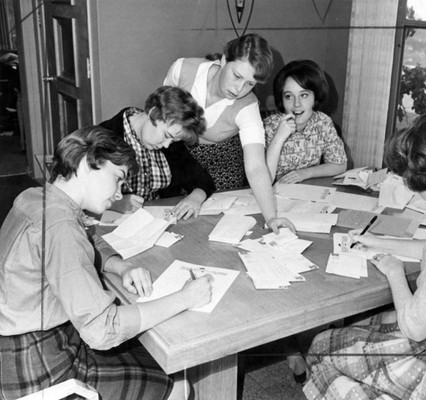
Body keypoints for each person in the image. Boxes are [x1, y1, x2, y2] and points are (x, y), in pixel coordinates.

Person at [0, 126, 213, 400]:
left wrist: (120, 266)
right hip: (36, 362)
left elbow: (84, 240)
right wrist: (184, 298)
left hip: (24, 341)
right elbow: (103, 330)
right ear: (88, 165)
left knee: (149, 355)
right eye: (118, 178)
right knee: (178, 386)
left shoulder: (38, 197)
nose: (118, 193)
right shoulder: (59, 223)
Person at [304, 113, 426, 400]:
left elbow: (415, 328)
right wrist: (376, 241)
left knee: (322, 348)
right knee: (367, 327)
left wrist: (395, 272)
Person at [163, 33, 294, 233]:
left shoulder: (248, 107)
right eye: (237, 76)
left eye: (250, 84)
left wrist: (271, 218)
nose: (240, 88)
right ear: (224, 60)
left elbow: (256, 167)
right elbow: (160, 117)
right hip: (177, 157)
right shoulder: (182, 69)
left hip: (221, 168)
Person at [100, 85, 216, 220]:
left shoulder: (171, 139)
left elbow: (202, 179)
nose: (167, 145)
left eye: (173, 140)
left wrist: (195, 197)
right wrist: (113, 203)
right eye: (166, 136)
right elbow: (78, 192)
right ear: (153, 114)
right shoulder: (102, 137)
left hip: (156, 223)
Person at [264, 60, 347, 184]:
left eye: (304, 95)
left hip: (308, 192)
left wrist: (304, 173)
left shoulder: (322, 122)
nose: (296, 104)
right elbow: (263, 180)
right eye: (288, 96)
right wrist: (279, 137)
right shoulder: (268, 126)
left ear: (315, 97)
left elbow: (339, 164)